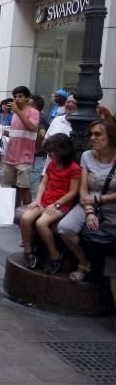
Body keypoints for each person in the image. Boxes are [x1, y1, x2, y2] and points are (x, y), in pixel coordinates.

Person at [58, 118, 116, 283]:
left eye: (98, 134)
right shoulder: (87, 156)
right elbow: (83, 189)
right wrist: (90, 211)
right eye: (90, 134)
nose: (92, 138)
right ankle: (84, 262)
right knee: (65, 228)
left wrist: (98, 198)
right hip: (89, 203)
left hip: (111, 205)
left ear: (110, 136)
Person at [20, 134, 81, 272]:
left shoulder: (74, 168)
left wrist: (57, 204)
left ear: (61, 150)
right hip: (45, 201)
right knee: (25, 218)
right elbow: (43, 183)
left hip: (61, 204)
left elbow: (72, 192)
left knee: (41, 223)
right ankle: (28, 251)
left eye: (51, 152)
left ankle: (54, 255)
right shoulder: (52, 165)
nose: (49, 155)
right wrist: (37, 200)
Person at [3, 86, 40, 209]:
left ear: (27, 98)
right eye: (15, 97)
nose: (17, 99)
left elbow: (31, 127)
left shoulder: (33, 112)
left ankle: (28, 212)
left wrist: (18, 112)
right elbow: (17, 134)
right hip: (11, 155)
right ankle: (14, 211)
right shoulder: (14, 114)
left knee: (24, 187)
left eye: (20, 96)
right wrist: (3, 132)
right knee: (13, 187)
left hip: (24, 157)